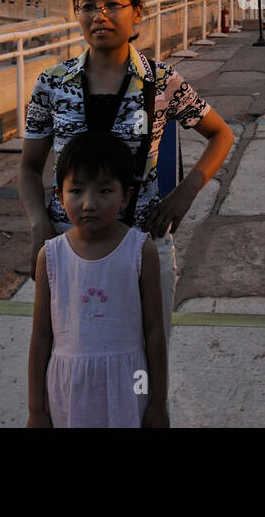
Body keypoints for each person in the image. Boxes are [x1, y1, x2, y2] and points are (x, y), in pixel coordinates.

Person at [19, 0, 233, 338]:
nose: (99, 16)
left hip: (142, 245)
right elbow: (29, 167)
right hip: (69, 243)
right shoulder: (51, 84)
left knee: (149, 361)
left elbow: (221, 135)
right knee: (71, 360)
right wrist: (38, 222)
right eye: (87, 6)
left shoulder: (161, 80)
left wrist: (185, 193)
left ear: (137, 12)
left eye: (112, 4)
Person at [27, 132, 168, 427]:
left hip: (128, 387)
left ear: (125, 196)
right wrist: (36, 411)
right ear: (59, 195)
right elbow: (41, 337)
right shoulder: (51, 257)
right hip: (68, 392)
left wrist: (157, 403)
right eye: (76, 190)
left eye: (104, 191)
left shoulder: (141, 250)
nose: (89, 203)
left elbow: (154, 332)